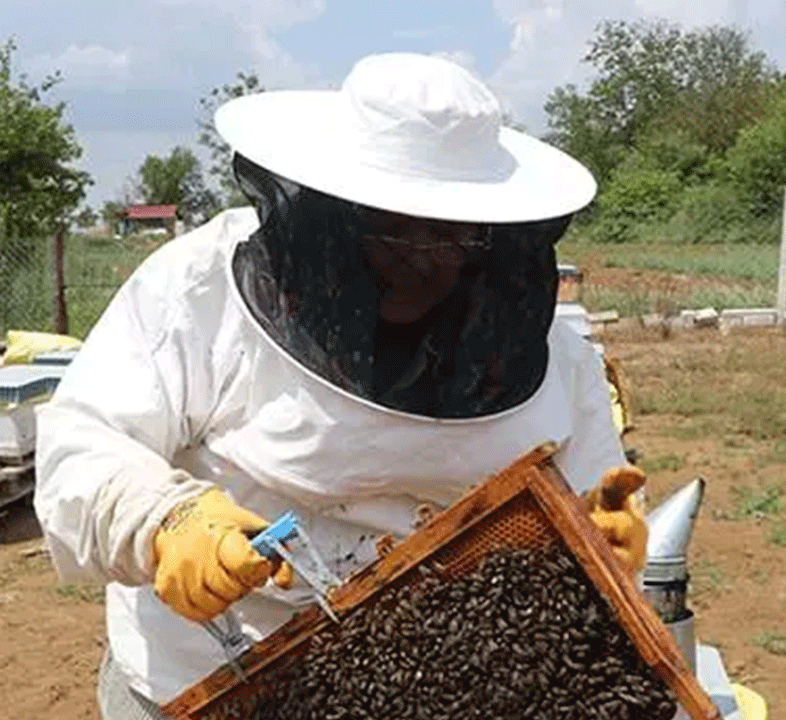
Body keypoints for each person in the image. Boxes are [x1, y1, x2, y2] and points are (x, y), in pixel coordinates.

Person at [33, 51, 650, 720]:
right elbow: (83, 445)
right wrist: (161, 519)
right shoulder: (197, 291)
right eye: (389, 229)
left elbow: (596, 490)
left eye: (446, 237)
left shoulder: (548, 350)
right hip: (212, 671)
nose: (416, 261)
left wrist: (603, 532)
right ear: (327, 213)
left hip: (434, 690)